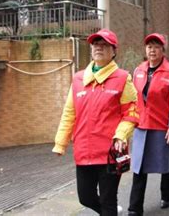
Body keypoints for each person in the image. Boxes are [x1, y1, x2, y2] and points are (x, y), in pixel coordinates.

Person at [52, 29, 139, 216]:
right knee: (86, 197)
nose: (98, 47)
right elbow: (69, 112)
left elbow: (131, 113)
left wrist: (121, 135)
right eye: (95, 44)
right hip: (84, 150)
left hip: (110, 152)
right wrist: (61, 142)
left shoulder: (123, 78)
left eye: (104, 44)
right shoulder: (78, 79)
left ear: (113, 51)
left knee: (108, 200)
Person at [128, 33, 169, 216]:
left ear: (163, 50)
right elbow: (132, 98)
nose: (152, 50)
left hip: (162, 127)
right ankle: (134, 208)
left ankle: (167, 195)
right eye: (149, 46)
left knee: (166, 165)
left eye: (156, 46)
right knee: (138, 168)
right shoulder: (138, 70)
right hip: (141, 127)